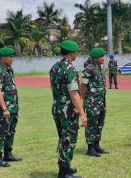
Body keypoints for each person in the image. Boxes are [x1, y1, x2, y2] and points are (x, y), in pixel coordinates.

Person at [50, 40, 87, 178]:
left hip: (57, 108)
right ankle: (64, 171)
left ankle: (65, 167)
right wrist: (82, 114)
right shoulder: (69, 69)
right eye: (76, 52)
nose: (76, 54)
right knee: (68, 139)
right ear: (71, 53)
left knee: (63, 138)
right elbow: (74, 93)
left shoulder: (55, 67)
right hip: (68, 110)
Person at [0, 47, 22, 167]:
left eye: (12, 56)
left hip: (12, 107)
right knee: (0, 132)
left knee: (10, 131)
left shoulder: (9, 70)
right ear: (3, 58)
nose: (12, 58)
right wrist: (4, 109)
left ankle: (8, 154)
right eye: (10, 56)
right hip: (3, 109)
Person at [81, 47, 109, 157]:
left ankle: (97, 145)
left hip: (101, 101)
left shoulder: (100, 68)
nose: (103, 58)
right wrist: (83, 101)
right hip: (92, 102)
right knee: (91, 125)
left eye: (103, 56)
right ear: (95, 58)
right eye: (101, 57)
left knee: (100, 123)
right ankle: (90, 148)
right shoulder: (89, 69)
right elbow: (83, 86)